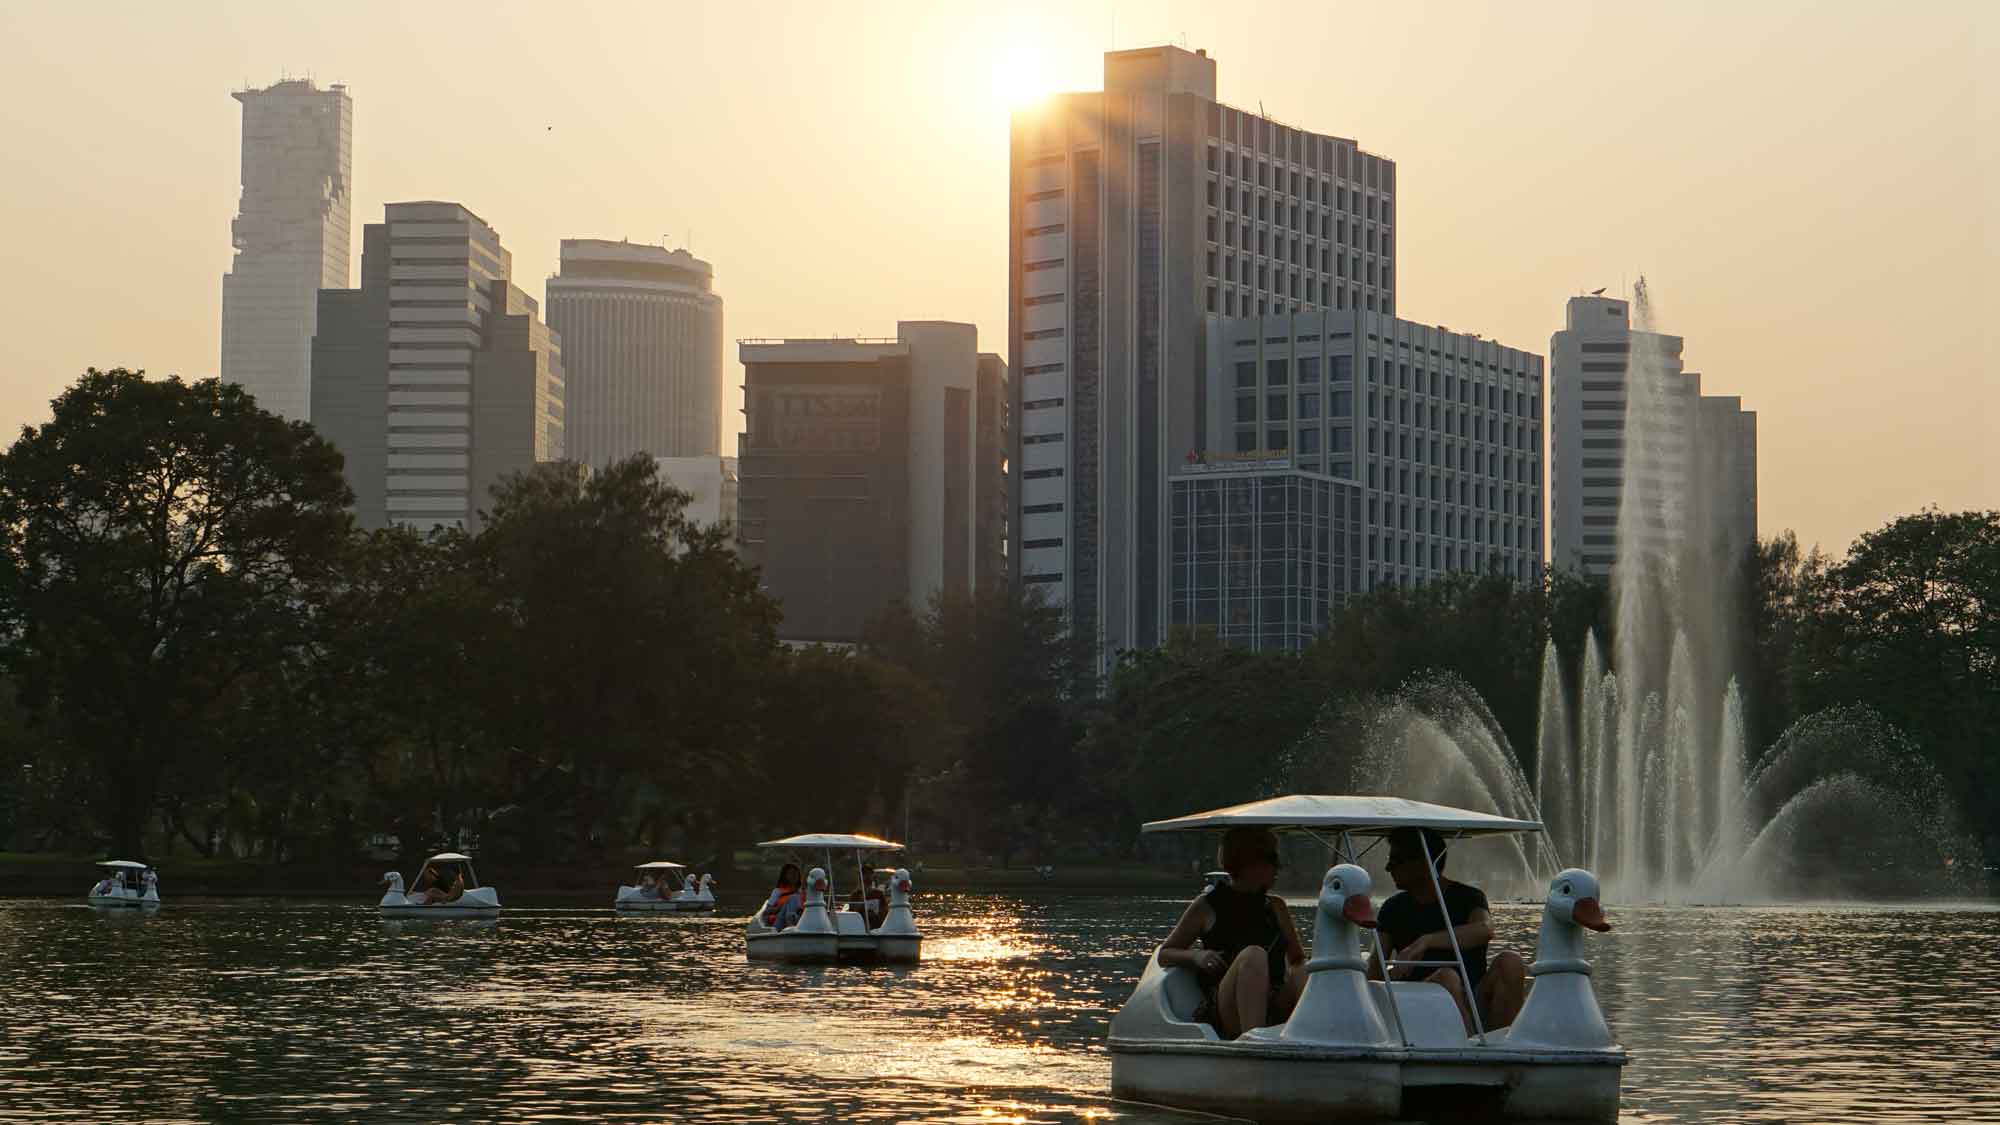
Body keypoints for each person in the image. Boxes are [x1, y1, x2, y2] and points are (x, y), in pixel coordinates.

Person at [1367, 826, 1527, 1035]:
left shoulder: (1468, 897)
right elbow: (1375, 970)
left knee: (1511, 961)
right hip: (1421, 1003)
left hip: (1472, 997)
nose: (1388, 868)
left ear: (1424, 863)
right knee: (1447, 977)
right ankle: (1472, 1052)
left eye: (1396, 860)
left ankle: (1503, 1045)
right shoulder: (1393, 908)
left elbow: (1484, 929)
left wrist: (1425, 941)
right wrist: (1393, 974)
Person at [1157, 825, 1307, 1039]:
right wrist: (1197, 956)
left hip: (1272, 1003)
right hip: (1226, 1010)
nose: (1279, 868)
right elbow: (1165, 953)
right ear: (1249, 863)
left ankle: (1311, 1035)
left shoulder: (1276, 906)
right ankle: (1253, 1043)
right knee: (1254, 955)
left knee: (1305, 969)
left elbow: (1297, 960)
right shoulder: (1207, 905)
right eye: (1273, 860)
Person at [762, 863, 805, 929]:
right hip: (779, 923)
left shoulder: (802, 893)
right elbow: (766, 911)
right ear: (784, 876)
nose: (794, 876)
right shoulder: (777, 891)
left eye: (795, 873)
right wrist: (779, 908)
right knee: (793, 898)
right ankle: (790, 925)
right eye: (790, 873)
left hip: (799, 921)